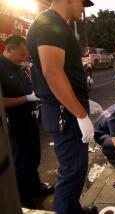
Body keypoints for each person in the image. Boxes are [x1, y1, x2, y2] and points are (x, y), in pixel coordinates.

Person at [26, 0, 101, 213]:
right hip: (64, 112)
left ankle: (71, 208)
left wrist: (84, 103)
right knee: (73, 169)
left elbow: (64, 71)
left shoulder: (55, 22)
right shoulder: (50, 23)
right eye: (81, 2)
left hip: (65, 109)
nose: (83, 6)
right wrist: (80, 113)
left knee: (75, 168)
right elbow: (53, 71)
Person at [0, 35, 54, 208]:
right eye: (22, 54)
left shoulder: (20, 68)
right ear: (9, 49)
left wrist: (35, 95)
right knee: (20, 161)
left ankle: (35, 186)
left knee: (34, 156)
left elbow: (30, 89)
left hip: (30, 119)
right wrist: (26, 98)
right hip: (14, 123)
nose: (25, 58)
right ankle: (22, 197)